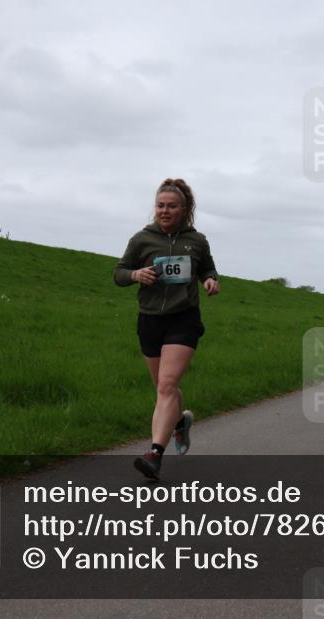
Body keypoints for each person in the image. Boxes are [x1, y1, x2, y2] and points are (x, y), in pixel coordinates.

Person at [114, 179, 220, 480]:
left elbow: (208, 269)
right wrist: (135, 274)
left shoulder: (196, 241)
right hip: (149, 320)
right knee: (162, 386)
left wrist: (211, 281)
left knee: (167, 385)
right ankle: (179, 424)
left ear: (184, 209)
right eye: (160, 205)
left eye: (171, 206)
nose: (164, 211)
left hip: (183, 318)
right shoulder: (142, 239)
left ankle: (154, 455)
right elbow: (118, 273)